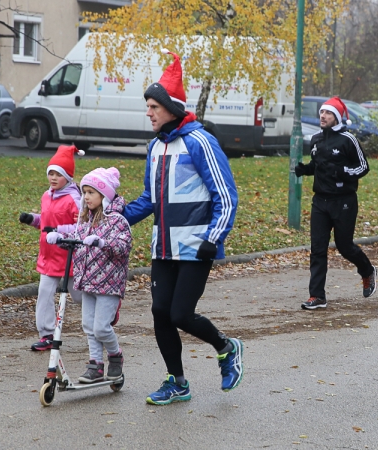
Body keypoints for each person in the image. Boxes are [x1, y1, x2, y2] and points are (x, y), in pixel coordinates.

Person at [123, 50, 241, 405]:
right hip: (164, 245)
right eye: (147, 107)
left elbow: (226, 194)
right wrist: (115, 217)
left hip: (196, 245)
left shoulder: (200, 141)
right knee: (160, 312)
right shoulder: (154, 148)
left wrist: (214, 238)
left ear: (171, 108)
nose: (148, 113)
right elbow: (149, 198)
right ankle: (177, 382)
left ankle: (226, 347)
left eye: (153, 107)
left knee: (180, 314)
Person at [46, 167, 131, 383]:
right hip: (87, 282)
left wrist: (103, 243)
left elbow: (123, 246)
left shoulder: (117, 222)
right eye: (84, 192)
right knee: (88, 326)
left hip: (108, 285)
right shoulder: (86, 221)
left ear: (104, 195)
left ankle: (115, 355)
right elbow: (76, 239)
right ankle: (95, 365)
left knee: (102, 328)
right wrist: (59, 237)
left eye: (91, 192)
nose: (86, 197)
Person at [294, 96, 377, 310]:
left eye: (328, 113)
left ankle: (367, 271)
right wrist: (306, 169)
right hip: (320, 201)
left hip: (344, 201)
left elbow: (363, 167)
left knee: (345, 246)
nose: (323, 116)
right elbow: (318, 165)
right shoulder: (316, 139)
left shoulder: (348, 140)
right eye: (321, 112)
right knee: (317, 249)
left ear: (337, 117)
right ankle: (317, 296)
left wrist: (342, 172)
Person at [19, 145, 84, 351]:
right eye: (51, 173)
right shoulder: (47, 196)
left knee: (80, 296)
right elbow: (45, 222)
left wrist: (57, 229)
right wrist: (32, 219)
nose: (53, 178)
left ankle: (103, 317)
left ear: (68, 176)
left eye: (58, 174)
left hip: (70, 255)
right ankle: (46, 334)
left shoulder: (75, 199)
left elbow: (80, 227)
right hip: (48, 256)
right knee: (44, 294)